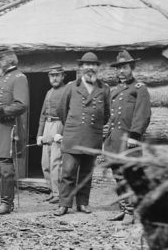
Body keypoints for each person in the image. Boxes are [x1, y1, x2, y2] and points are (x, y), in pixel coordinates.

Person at [55, 52, 110, 216]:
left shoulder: (104, 88)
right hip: (73, 136)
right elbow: (61, 110)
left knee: (86, 173)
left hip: (92, 136)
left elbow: (106, 114)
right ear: (81, 68)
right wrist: (73, 125)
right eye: (87, 65)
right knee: (68, 172)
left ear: (98, 68)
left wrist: (93, 127)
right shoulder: (71, 86)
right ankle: (64, 204)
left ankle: (82, 203)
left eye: (93, 65)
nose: (90, 68)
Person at [105, 50, 151, 224]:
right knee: (117, 176)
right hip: (114, 140)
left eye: (124, 67)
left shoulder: (140, 88)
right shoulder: (115, 90)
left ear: (132, 67)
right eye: (119, 68)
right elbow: (113, 115)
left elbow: (143, 114)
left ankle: (131, 212)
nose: (121, 71)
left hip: (128, 141)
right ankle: (124, 208)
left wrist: (134, 136)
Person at [0, 48, 29, 215]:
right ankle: (4, 201)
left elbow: (21, 104)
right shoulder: (3, 78)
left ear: (10, 60)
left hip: (10, 127)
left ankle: (6, 204)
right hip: (0, 127)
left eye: (0, 59)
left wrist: (0, 112)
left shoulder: (19, 78)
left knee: (5, 166)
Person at [35, 64, 66, 205]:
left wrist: (61, 133)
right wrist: (39, 135)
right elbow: (42, 115)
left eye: (57, 75)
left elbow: (69, 115)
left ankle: (58, 193)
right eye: (51, 75)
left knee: (55, 161)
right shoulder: (48, 92)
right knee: (45, 162)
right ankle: (51, 190)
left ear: (62, 76)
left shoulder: (66, 91)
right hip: (47, 126)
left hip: (59, 124)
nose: (54, 78)